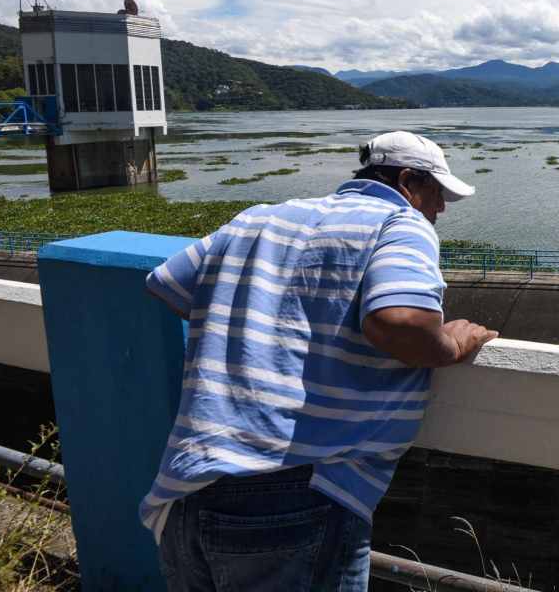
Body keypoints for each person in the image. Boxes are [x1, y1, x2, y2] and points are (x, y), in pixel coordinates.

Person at [141, 130, 498, 591]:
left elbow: (168, 284)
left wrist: (266, 325)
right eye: (438, 193)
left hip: (187, 488)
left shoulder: (259, 216)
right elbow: (402, 322)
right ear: (408, 181)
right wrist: (451, 345)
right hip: (296, 493)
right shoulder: (400, 222)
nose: (441, 209)